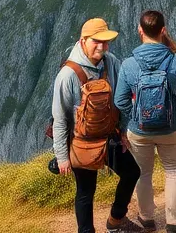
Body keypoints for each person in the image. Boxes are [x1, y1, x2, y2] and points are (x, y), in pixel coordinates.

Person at [52, 17, 144, 233]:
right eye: (97, 41)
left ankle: (116, 220)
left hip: (110, 137)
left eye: (106, 42)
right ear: (83, 40)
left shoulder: (111, 62)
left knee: (132, 172)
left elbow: (121, 99)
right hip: (82, 143)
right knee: (86, 192)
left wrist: (121, 132)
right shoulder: (67, 75)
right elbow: (60, 118)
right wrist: (62, 156)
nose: (102, 47)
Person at [114, 10, 176, 233]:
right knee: (172, 170)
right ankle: (174, 221)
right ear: (163, 31)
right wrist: (175, 109)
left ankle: (147, 218)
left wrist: (136, 116)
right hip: (170, 128)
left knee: (143, 172)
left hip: (139, 130)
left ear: (140, 31)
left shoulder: (129, 65)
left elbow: (120, 100)